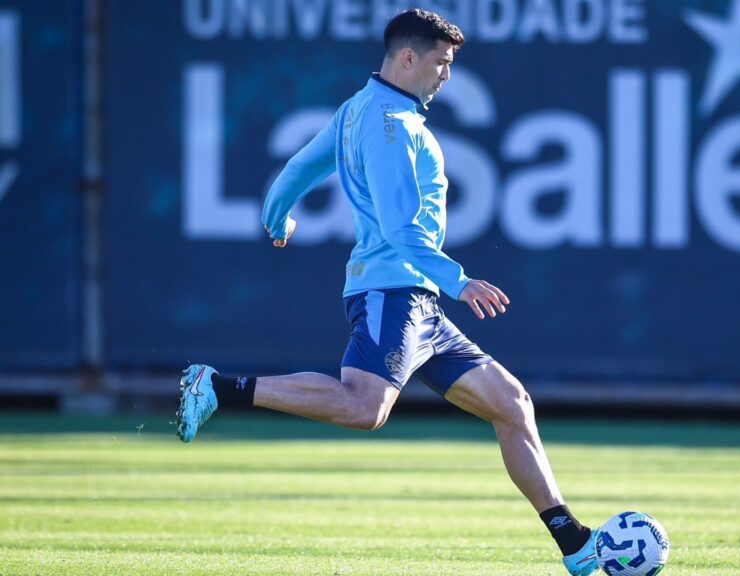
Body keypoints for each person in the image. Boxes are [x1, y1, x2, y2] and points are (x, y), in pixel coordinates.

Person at [174, 8, 599, 575]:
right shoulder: (391, 126)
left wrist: (276, 219)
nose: (446, 75)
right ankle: (219, 388)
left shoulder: (359, 109)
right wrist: (460, 279)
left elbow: (299, 168)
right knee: (365, 407)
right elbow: (402, 232)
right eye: (441, 63)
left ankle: (573, 544)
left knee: (512, 403)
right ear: (408, 58)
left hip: (417, 301)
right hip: (392, 291)